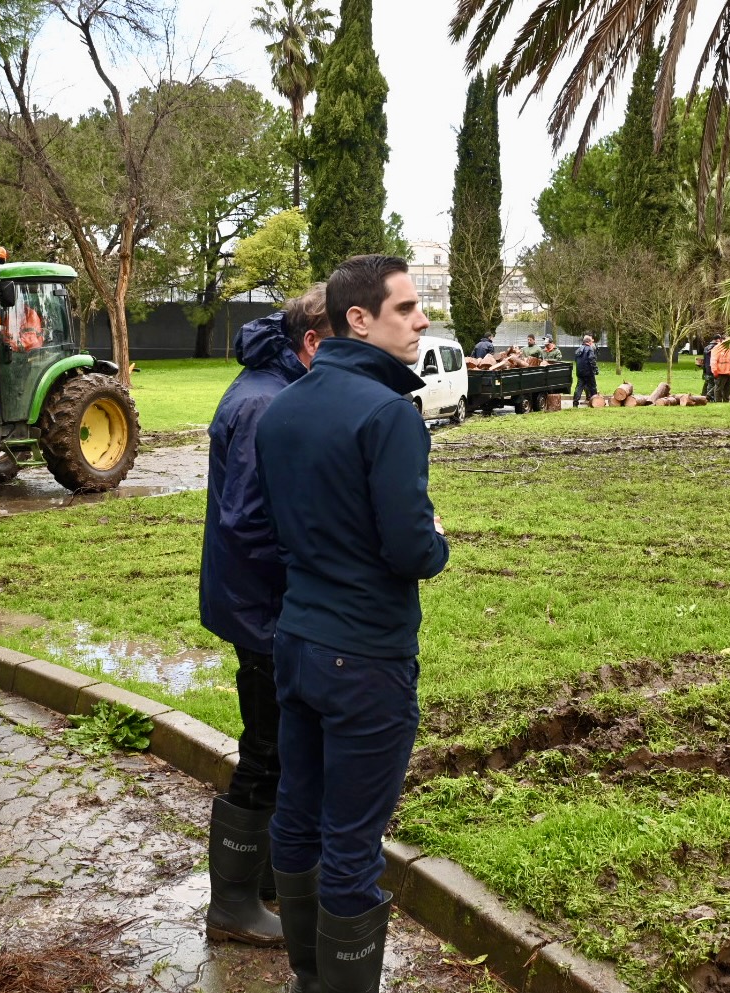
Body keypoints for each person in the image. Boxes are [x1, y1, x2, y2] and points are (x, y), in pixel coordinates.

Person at [256, 255, 449, 993]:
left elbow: (281, 527)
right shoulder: (387, 415)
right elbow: (410, 548)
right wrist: (437, 539)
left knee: (298, 815)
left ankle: (309, 977)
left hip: (298, 645)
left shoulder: (285, 407)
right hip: (366, 656)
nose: (421, 319)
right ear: (358, 320)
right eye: (406, 308)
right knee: (350, 843)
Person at [199, 287, 332, 949]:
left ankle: (271, 881)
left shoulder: (270, 386)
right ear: (312, 342)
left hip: (257, 604)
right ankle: (232, 905)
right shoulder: (266, 402)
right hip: (262, 611)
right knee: (267, 751)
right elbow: (251, 521)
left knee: (281, 747)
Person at [572, 334, 599, 407]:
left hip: (580, 372)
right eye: (591, 341)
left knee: (579, 387)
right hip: (588, 372)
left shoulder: (578, 349)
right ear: (589, 342)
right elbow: (592, 360)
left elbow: (576, 360)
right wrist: (595, 369)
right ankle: (596, 402)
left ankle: (575, 402)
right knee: (593, 387)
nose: (591, 343)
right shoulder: (589, 349)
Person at [710, 336, 730, 403]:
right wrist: (715, 371)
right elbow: (713, 361)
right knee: (719, 388)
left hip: (729, 372)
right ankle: (718, 401)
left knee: (728, 387)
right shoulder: (717, 348)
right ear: (723, 340)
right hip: (720, 372)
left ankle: (726, 400)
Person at [700, 335, 719, 401]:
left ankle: (702, 396)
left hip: (707, 368)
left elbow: (705, 360)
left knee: (707, 383)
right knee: (712, 384)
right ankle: (709, 398)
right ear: (718, 340)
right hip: (714, 368)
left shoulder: (706, 348)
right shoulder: (716, 348)